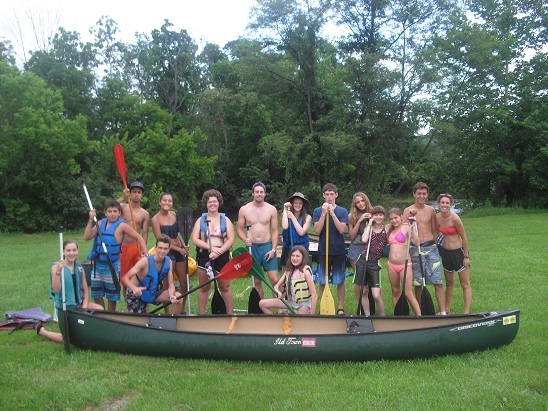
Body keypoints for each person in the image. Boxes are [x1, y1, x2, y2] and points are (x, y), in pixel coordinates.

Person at [84, 199, 148, 311]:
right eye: (109, 211)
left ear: (119, 213)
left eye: (115, 211)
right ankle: (101, 314)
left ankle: (110, 315)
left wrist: (145, 253)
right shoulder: (99, 223)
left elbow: (139, 237)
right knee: (96, 293)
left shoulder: (122, 225)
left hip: (112, 265)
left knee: (111, 295)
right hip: (97, 265)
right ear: (105, 213)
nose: (112, 214)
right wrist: (90, 220)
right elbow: (87, 237)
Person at [37, 240, 104, 343]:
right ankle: (42, 331)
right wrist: (58, 272)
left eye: (74, 250)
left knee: (100, 309)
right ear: (63, 252)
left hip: (79, 304)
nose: (71, 253)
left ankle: (91, 331)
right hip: (65, 307)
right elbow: (56, 289)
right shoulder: (56, 267)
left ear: (77, 251)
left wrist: (84, 309)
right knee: (68, 339)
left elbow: (86, 291)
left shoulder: (79, 267)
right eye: (68, 250)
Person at [403, 182, 446, 315]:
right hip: (415, 249)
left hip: (430, 247)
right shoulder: (407, 210)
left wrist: (435, 246)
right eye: (419, 193)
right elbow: (404, 231)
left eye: (424, 194)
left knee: (437, 281)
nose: (421, 196)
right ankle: (421, 312)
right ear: (414, 194)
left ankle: (443, 311)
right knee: (418, 283)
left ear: (427, 195)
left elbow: (435, 230)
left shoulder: (431, 210)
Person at [191, 189, 235, 314]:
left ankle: (230, 314)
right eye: (210, 202)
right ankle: (202, 315)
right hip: (205, 255)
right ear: (206, 203)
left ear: (219, 203)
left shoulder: (225, 220)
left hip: (222, 255)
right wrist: (211, 249)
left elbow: (231, 239)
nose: (212, 204)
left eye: (215, 202)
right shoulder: (200, 220)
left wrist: (219, 251)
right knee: (204, 287)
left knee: (224, 287)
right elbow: (194, 239)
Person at [237, 182, 279, 298]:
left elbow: (275, 231)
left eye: (261, 192)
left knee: (274, 279)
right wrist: (245, 239)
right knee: (257, 281)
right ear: (253, 194)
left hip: (267, 247)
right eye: (257, 192)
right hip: (252, 248)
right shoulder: (244, 209)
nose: (259, 194)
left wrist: (273, 249)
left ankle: (280, 308)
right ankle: (261, 308)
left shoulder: (271, 209)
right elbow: (239, 229)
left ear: (265, 194)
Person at [122, 234, 183, 314]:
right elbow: (125, 278)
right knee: (142, 320)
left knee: (179, 297)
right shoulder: (145, 261)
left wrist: (171, 295)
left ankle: (172, 322)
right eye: (160, 248)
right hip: (136, 293)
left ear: (169, 249)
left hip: (152, 291)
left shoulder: (169, 262)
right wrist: (134, 288)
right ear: (155, 248)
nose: (162, 251)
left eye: (165, 249)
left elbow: (171, 285)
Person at [313, 183, 349, 315]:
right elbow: (317, 230)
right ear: (323, 195)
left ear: (336, 195)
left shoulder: (342, 211)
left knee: (340, 280)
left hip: (338, 250)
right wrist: (323, 214)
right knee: (322, 280)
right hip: (323, 251)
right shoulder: (317, 211)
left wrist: (333, 214)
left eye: (331, 194)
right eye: (327, 194)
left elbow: (341, 230)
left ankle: (340, 307)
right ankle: (324, 305)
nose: (329, 197)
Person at [151, 193, 189, 311]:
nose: (167, 203)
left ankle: (181, 308)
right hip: (167, 253)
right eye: (164, 201)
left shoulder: (173, 214)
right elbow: (161, 241)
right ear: (159, 202)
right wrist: (179, 249)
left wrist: (183, 245)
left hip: (179, 252)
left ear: (172, 203)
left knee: (184, 283)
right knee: (167, 284)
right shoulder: (155, 219)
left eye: (169, 201)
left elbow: (177, 234)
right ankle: (167, 311)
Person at [435, 193, 472, 314]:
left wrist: (466, 256)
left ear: (451, 205)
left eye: (447, 203)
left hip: (459, 253)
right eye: (442, 202)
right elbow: (436, 233)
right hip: (446, 253)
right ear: (438, 204)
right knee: (449, 283)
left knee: (464, 284)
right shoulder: (437, 217)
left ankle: (466, 311)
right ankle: (446, 309)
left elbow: (464, 237)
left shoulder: (455, 218)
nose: (444, 205)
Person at [259, 246, 317, 315]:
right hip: (291, 301)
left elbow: (314, 295)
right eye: (293, 256)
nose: (294, 258)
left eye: (298, 256)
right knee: (262, 304)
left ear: (303, 258)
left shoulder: (305, 272)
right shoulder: (288, 271)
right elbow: (276, 286)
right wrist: (278, 292)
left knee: (300, 323)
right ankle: (275, 323)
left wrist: (312, 315)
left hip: (303, 303)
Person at [117, 181, 150, 298]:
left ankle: (138, 301)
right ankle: (128, 303)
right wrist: (122, 197)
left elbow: (145, 233)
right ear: (130, 193)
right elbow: (109, 207)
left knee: (137, 276)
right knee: (125, 279)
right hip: (123, 248)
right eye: (134, 192)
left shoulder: (144, 213)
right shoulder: (123, 208)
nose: (136, 194)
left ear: (142, 195)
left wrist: (142, 250)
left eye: (139, 192)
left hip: (136, 248)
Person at [386, 208, 421, 316]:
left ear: (401, 217)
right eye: (391, 219)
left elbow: (416, 242)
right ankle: (398, 315)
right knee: (395, 291)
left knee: (408, 293)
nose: (394, 221)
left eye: (396, 218)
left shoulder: (406, 227)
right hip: (391, 265)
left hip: (405, 265)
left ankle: (419, 316)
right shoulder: (388, 228)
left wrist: (413, 227)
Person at [354, 205, 387, 316]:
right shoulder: (369, 228)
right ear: (372, 216)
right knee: (364, 291)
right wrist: (369, 224)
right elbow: (364, 239)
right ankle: (367, 316)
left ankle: (383, 316)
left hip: (374, 264)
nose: (378, 217)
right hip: (363, 261)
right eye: (376, 215)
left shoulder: (386, 229)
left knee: (376, 295)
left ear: (384, 216)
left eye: (380, 215)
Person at [280, 192, 312, 266]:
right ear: (292, 204)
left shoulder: (307, 217)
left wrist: (293, 218)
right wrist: (285, 210)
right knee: (287, 272)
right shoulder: (286, 215)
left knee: (302, 272)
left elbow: (301, 232)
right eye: (295, 203)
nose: (298, 205)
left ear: (303, 205)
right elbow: (285, 226)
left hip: (302, 249)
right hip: (288, 248)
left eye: (300, 203)